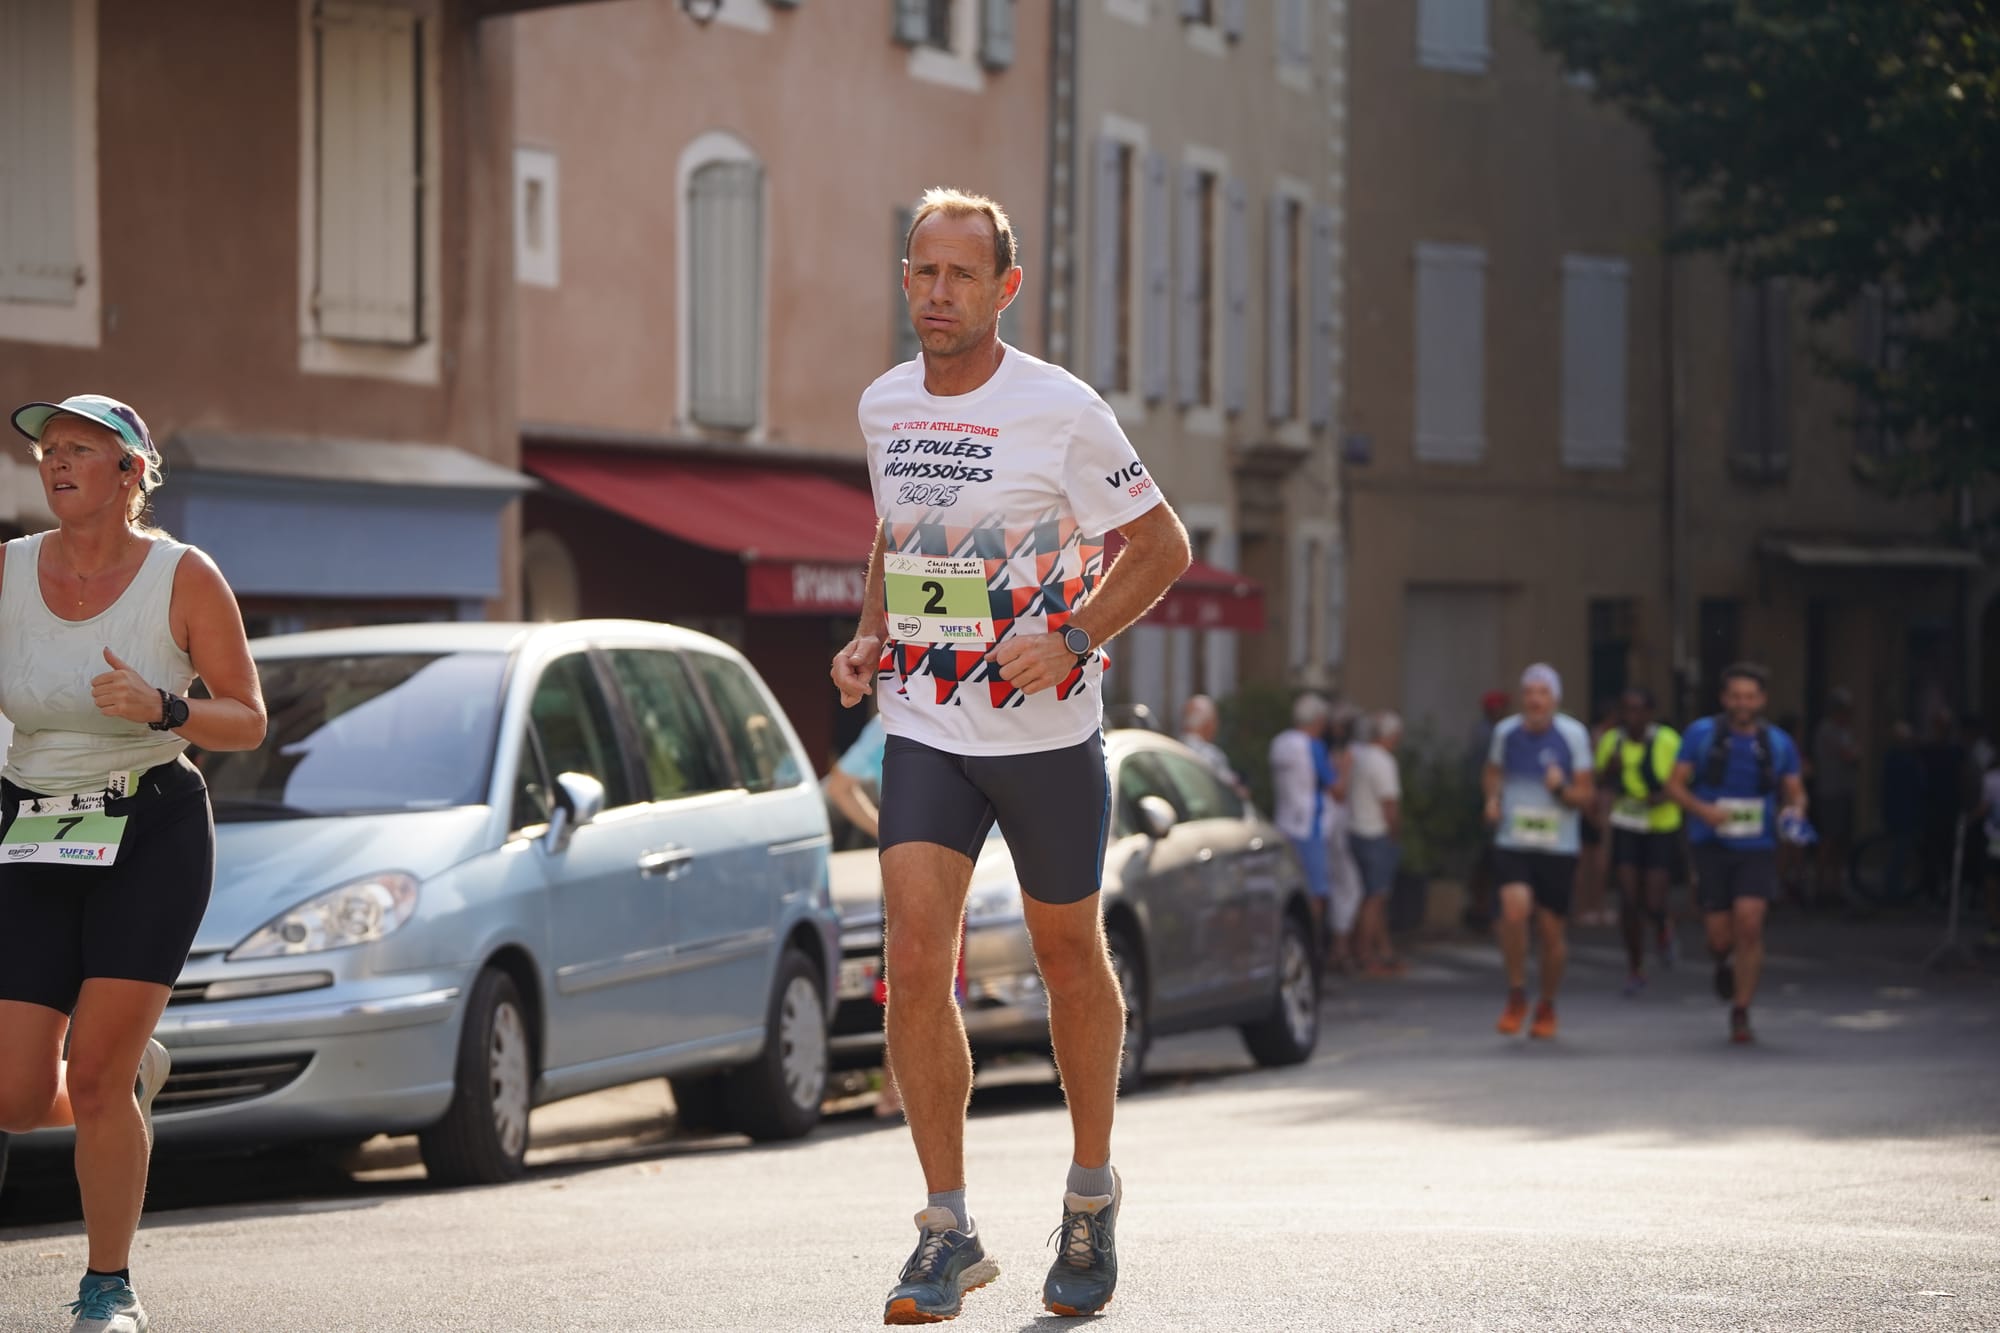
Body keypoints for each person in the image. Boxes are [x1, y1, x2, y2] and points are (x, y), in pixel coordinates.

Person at [831, 188, 1190, 1325]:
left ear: (1003, 288)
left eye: (961, 276)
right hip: (926, 723)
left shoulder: (1061, 410)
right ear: (904, 279)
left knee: (1065, 955)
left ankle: (1089, 1194)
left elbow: (1161, 547)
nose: (938, 294)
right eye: (922, 272)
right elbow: (896, 530)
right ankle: (945, 1227)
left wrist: (1074, 635)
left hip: (1043, 733)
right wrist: (870, 634)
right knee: (914, 948)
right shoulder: (883, 405)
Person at [0, 394, 267, 1333]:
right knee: (17, 1094)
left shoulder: (184, 578)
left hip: (149, 828)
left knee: (99, 1073)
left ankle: (107, 1287)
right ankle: (123, 1080)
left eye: (79, 448)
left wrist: (162, 706)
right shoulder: (6, 573)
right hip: (29, 829)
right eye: (46, 449)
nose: (55, 461)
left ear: (129, 472)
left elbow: (247, 715)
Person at [1666, 662, 1807, 1045]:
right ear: (1724, 698)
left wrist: (1795, 812)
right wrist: (1703, 811)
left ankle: (1741, 1010)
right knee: (1718, 935)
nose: (1742, 703)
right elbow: (1674, 785)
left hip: (1757, 845)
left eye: (1750, 696)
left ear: (1761, 700)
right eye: (1735, 696)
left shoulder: (1777, 743)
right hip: (1711, 844)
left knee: (1750, 920)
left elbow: (1794, 790)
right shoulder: (1701, 734)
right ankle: (1722, 960)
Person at [1483, 664, 1596, 1040]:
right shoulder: (1506, 732)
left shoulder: (1572, 735)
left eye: (1542, 693)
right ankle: (1517, 993)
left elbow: (1586, 795)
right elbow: (1493, 771)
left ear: (1555, 699)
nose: (1535, 699)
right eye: (1529, 692)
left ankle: (1546, 1003)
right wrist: (1492, 799)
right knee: (1514, 911)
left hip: (1557, 845)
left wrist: (1562, 788)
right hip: (1514, 840)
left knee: (1550, 932)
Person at [1595, 687, 1683, 995]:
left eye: (1638, 710)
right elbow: (1601, 781)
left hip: (1661, 825)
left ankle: (1662, 926)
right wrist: (1611, 768)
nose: (1632, 717)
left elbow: (1683, 780)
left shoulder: (1668, 740)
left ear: (1649, 713)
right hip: (1627, 823)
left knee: (1653, 900)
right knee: (1629, 899)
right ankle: (1635, 967)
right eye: (1626, 709)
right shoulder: (1612, 741)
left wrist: (1663, 795)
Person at [1271, 693, 1339, 949]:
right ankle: (1312, 946)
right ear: (1318, 720)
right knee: (1315, 892)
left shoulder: (1279, 743)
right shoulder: (1312, 746)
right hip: (1310, 826)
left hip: (1284, 822)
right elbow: (1335, 788)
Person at [1347, 710, 1406, 976]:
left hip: (1356, 831)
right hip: (1375, 834)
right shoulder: (1383, 761)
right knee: (1375, 897)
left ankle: (1383, 951)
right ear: (1391, 736)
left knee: (1372, 895)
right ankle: (1365, 954)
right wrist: (1395, 834)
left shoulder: (1361, 756)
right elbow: (1390, 805)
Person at [1462, 689, 1510, 930]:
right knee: (1487, 858)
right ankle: (1483, 910)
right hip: (1486, 803)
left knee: (1489, 859)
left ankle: (1485, 909)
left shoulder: (1491, 732)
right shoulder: (1489, 734)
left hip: (1488, 802)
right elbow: (1486, 772)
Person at [1811, 689, 1860, 906]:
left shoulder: (1844, 731)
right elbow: (1850, 754)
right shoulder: (1828, 730)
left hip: (1844, 790)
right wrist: (1854, 753)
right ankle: (1822, 888)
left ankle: (1835, 887)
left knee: (1840, 842)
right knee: (1829, 839)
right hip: (1831, 791)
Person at [1179, 693, 1247, 797]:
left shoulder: (1172, 749)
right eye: (1215, 720)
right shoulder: (1211, 755)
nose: (1217, 725)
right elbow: (1230, 790)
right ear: (1208, 724)